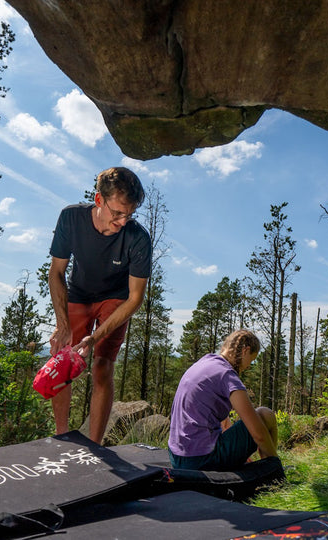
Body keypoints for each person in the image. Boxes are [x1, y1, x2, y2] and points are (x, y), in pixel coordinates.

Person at [48, 167, 151, 444]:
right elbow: (56, 272)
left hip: (116, 299)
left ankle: (95, 446)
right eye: (117, 212)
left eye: (129, 214)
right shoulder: (71, 218)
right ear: (98, 201)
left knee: (103, 366)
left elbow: (135, 298)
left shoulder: (138, 239)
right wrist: (63, 324)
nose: (122, 220)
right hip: (79, 294)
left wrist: (95, 337)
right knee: (63, 359)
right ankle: (61, 436)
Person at [168, 329, 278, 470]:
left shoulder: (206, 362)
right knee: (265, 414)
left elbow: (224, 423)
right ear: (245, 350)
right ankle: (271, 470)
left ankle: (268, 467)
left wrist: (240, 451)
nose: (249, 366)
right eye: (252, 359)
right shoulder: (227, 374)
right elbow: (259, 435)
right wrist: (276, 463)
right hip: (200, 460)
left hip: (177, 457)